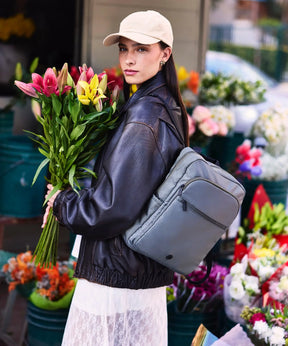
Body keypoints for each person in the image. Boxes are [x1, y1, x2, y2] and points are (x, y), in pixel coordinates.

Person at [44, 9, 189, 346]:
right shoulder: (160, 106)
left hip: (117, 276)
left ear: (165, 54)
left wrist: (61, 201)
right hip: (135, 271)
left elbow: (110, 208)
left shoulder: (145, 118)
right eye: (124, 49)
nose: (129, 59)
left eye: (142, 49)